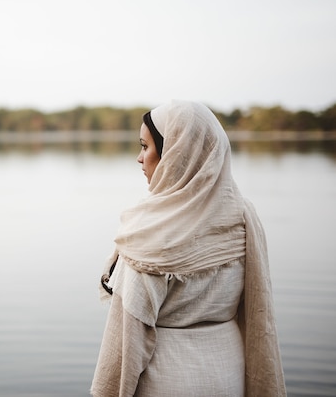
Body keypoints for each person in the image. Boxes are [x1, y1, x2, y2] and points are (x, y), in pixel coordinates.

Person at [90, 100, 286, 397]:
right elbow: (258, 308)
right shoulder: (243, 215)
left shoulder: (149, 231)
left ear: (174, 154)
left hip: (166, 378)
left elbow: (126, 343)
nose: (139, 159)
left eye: (145, 147)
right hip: (228, 373)